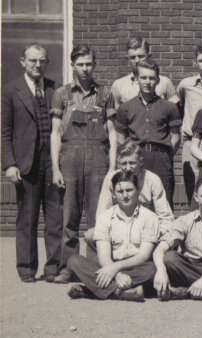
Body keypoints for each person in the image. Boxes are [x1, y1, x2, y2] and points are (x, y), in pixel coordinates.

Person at [50, 45, 118, 283]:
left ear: (94, 64)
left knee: (97, 216)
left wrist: (112, 167)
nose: (85, 68)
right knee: (69, 215)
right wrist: (56, 168)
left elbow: (111, 132)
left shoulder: (105, 93)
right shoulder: (62, 94)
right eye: (80, 64)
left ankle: (92, 268)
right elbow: (56, 132)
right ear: (72, 65)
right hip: (70, 156)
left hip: (98, 157)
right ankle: (68, 267)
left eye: (89, 63)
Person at [1, 43, 63, 283]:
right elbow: (4, 131)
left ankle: (53, 268)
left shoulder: (53, 89)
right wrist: (9, 164)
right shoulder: (9, 91)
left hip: (52, 162)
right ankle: (26, 268)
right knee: (27, 218)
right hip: (26, 163)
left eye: (42, 61)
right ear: (22, 62)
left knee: (55, 217)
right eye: (33, 61)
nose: (38, 65)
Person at [66, 171, 158, 302]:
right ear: (114, 194)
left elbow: (143, 255)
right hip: (111, 265)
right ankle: (122, 292)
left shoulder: (149, 217)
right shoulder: (105, 218)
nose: (125, 195)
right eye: (120, 192)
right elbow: (104, 256)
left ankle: (93, 291)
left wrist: (116, 269)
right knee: (74, 261)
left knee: (152, 269)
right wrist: (117, 274)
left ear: (137, 190)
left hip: (138, 267)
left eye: (129, 190)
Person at [114, 60, 181, 209]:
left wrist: (166, 156)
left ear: (157, 80)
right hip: (136, 158)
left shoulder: (169, 107)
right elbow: (120, 138)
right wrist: (130, 156)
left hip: (161, 158)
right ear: (137, 79)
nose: (147, 82)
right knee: (135, 200)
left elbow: (176, 137)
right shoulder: (126, 108)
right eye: (143, 78)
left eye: (151, 78)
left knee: (164, 202)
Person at [171, 42, 202, 208]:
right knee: (192, 188)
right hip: (191, 142)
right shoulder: (186, 85)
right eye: (201, 60)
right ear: (195, 62)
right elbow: (178, 105)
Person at [111, 37, 175, 108]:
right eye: (132, 57)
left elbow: (174, 111)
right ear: (127, 59)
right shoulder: (118, 86)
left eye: (141, 56)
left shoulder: (164, 83)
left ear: (149, 56)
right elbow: (114, 116)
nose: (137, 60)